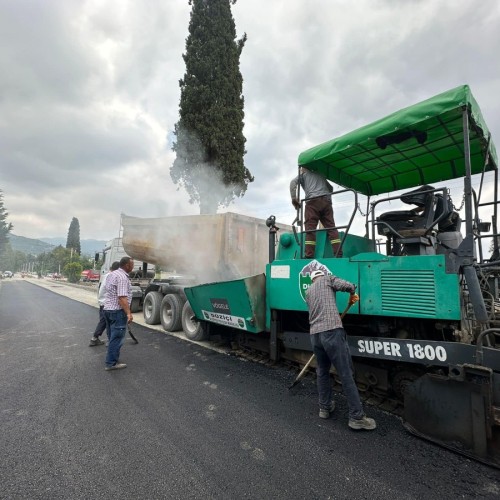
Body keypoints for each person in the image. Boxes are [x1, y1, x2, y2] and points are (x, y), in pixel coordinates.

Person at [305, 269, 376, 430]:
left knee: (322, 371)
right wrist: (353, 290)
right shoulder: (328, 279)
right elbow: (346, 286)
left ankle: (325, 407)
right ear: (321, 275)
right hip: (331, 331)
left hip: (315, 335)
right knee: (345, 373)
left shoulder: (309, 291)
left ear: (312, 279)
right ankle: (357, 417)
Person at [290, 167, 343, 258]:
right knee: (331, 228)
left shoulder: (303, 175)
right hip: (326, 202)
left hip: (312, 202)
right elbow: (330, 188)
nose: (301, 170)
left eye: (302, 168)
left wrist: (294, 199)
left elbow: (292, 183)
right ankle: (338, 253)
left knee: (310, 229)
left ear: (304, 168)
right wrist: (327, 197)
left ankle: (309, 255)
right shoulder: (320, 175)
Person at [103, 256, 134, 371]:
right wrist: (128, 313)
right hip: (117, 311)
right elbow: (121, 297)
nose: (133, 267)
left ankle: (112, 358)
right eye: (132, 265)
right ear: (127, 265)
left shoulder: (112, 274)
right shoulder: (122, 277)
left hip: (107, 309)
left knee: (112, 337)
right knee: (116, 338)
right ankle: (111, 363)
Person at [89, 261, 120, 347]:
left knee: (103, 321)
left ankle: (94, 339)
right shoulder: (112, 277)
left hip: (102, 302)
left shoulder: (105, 276)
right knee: (110, 323)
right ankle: (110, 341)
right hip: (107, 304)